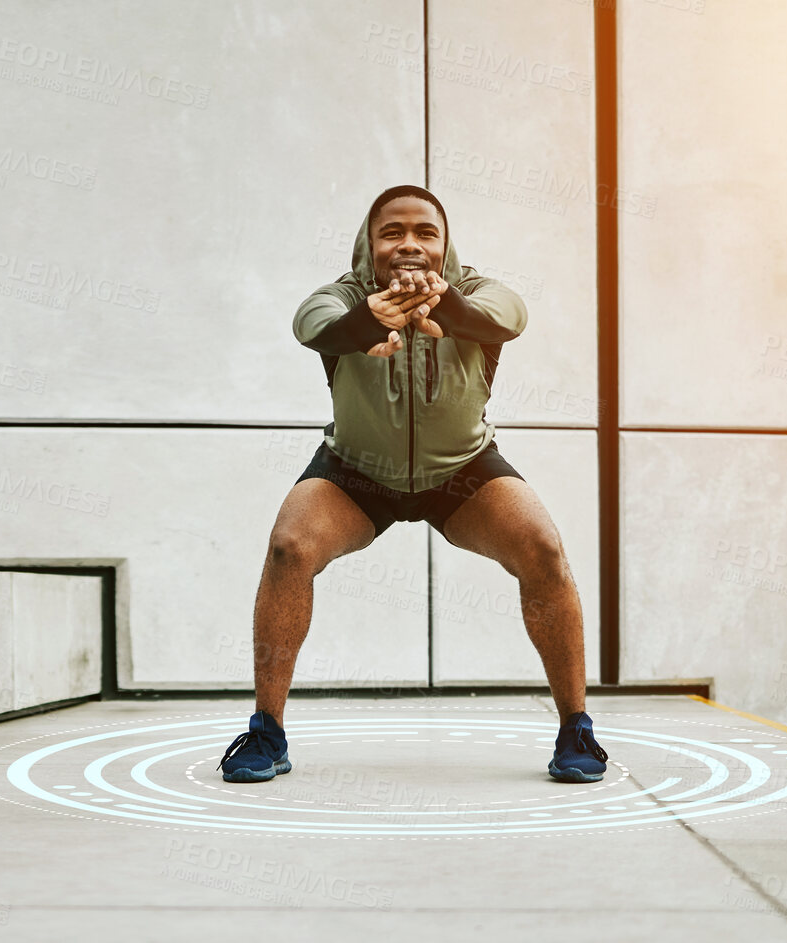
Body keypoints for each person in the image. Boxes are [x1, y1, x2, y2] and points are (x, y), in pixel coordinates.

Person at [217, 184, 608, 785]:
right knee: (288, 548)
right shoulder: (346, 296)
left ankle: (576, 729)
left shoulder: (476, 290)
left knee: (544, 550)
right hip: (356, 474)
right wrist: (364, 322)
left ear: (445, 244)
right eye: (392, 232)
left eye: (426, 232)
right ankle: (267, 732)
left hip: (460, 472)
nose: (409, 244)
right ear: (369, 244)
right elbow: (311, 325)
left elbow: (507, 319)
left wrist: (442, 309)